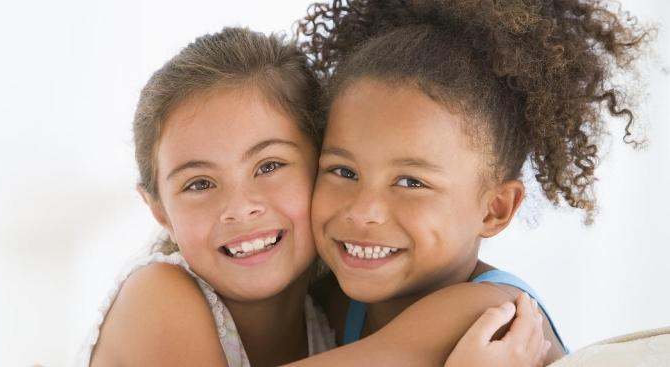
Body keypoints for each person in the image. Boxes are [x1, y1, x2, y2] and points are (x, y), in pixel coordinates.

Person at [78, 26, 549, 367]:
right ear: (158, 208)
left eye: (269, 166)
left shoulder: (489, 313)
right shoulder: (159, 296)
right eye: (199, 183)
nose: (241, 207)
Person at [291, 0, 651, 365]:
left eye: (411, 182)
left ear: (495, 209)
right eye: (344, 172)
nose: (363, 211)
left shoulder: (489, 313)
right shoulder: (340, 301)